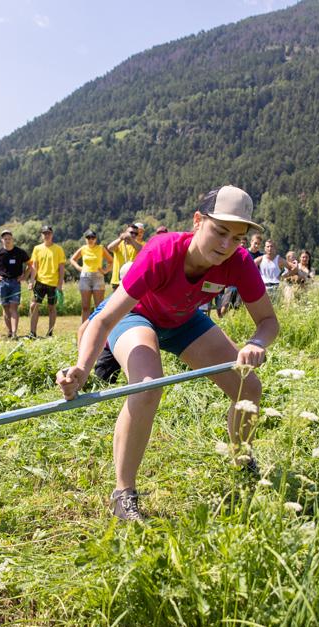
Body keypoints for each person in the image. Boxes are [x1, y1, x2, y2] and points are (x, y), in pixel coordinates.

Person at [56, 185, 278, 521]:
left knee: (249, 388)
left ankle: (241, 460)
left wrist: (256, 343)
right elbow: (103, 320)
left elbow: (268, 322)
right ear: (198, 221)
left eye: (237, 238)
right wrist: (82, 370)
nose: (226, 245)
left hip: (183, 319)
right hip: (135, 316)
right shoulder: (162, 251)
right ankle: (123, 495)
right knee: (148, 385)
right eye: (220, 232)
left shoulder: (239, 262)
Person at [0, 230, 30, 338]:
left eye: (9, 239)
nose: (7, 241)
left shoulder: (20, 252)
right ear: (2, 240)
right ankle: (10, 332)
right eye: (5, 239)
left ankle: (14, 333)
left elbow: (30, 264)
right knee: (6, 308)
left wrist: (24, 276)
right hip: (2, 283)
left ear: (13, 240)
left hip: (15, 282)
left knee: (14, 308)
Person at [28, 225, 65, 337]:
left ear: (52, 235)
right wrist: (31, 281)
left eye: (48, 233)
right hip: (40, 282)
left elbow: (61, 268)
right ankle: (32, 333)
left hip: (53, 284)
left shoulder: (58, 249)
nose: (46, 235)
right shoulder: (37, 248)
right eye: (44, 233)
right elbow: (34, 267)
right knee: (33, 306)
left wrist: (60, 284)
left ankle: (50, 333)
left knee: (51, 308)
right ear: (41, 235)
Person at [70, 229, 112, 323]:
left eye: (92, 237)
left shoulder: (101, 248)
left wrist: (105, 271)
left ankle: (98, 328)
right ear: (85, 239)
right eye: (88, 237)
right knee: (85, 307)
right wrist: (79, 268)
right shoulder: (83, 248)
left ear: (96, 239)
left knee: (99, 306)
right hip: (85, 277)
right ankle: (84, 328)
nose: (90, 239)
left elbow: (111, 261)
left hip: (98, 277)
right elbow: (72, 259)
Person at [107, 223, 145, 293]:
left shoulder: (139, 245)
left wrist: (131, 239)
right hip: (117, 281)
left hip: (132, 279)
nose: (133, 235)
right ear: (126, 232)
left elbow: (142, 250)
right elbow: (110, 248)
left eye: (135, 234)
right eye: (131, 233)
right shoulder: (119, 244)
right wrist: (120, 238)